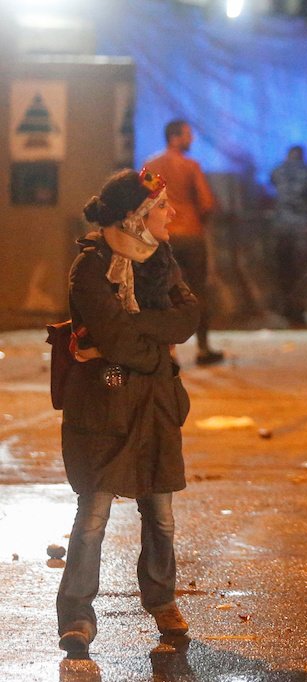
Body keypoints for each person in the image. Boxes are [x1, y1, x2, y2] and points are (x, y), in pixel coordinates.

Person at [56, 168, 200, 654]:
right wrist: (151, 347)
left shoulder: (162, 261)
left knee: (160, 516)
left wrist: (137, 331)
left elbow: (188, 318)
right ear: (134, 217)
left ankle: (162, 602)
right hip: (103, 408)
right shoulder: (91, 267)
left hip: (155, 406)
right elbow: (115, 335)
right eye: (161, 206)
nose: (171, 213)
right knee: (93, 515)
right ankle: (76, 615)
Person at [144, 119, 222, 365]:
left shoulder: (151, 166)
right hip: (191, 234)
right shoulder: (191, 166)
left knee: (163, 292)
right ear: (174, 137)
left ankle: (169, 352)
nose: (192, 139)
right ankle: (202, 348)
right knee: (197, 292)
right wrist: (201, 220)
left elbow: (144, 200)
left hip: (162, 237)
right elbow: (207, 202)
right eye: (188, 134)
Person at [269, 145, 307, 325]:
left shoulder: (277, 171)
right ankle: (298, 311)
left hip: (281, 226)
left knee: (284, 271)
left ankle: (286, 309)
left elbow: (272, 188)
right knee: (301, 272)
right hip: (302, 226)